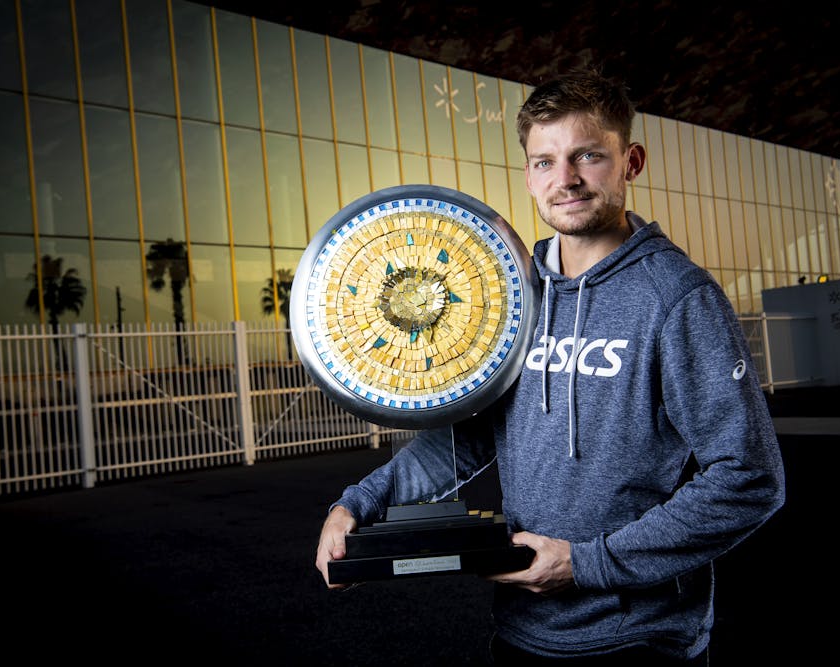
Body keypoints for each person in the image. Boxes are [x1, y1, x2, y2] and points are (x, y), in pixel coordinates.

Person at [314, 65, 785, 665]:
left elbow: (749, 477)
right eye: (545, 161)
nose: (566, 179)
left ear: (630, 161)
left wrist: (589, 564)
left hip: (638, 638)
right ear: (530, 176)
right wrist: (358, 504)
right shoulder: (515, 294)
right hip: (522, 629)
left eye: (587, 155)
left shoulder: (677, 297)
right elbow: (474, 432)